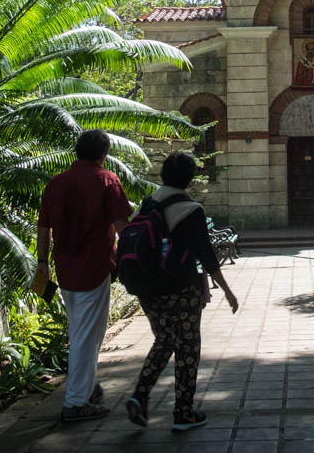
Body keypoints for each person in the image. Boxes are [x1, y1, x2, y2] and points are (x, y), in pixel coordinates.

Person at [125, 152, 239, 432]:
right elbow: (206, 255)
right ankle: (183, 412)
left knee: (164, 340)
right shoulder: (190, 209)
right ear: (189, 178)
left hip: (148, 289)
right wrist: (227, 291)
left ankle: (140, 395)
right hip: (180, 289)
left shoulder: (147, 203)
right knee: (188, 348)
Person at [37, 130, 132, 422]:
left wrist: (42, 263)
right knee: (85, 335)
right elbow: (122, 226)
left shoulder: (56, 183)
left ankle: (88, 388)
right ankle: (76, 403)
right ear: (103, 154)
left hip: (65, 270)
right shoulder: (107, 180)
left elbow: (43, 227)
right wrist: (133, 259)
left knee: (82, 331)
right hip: (95, 269)